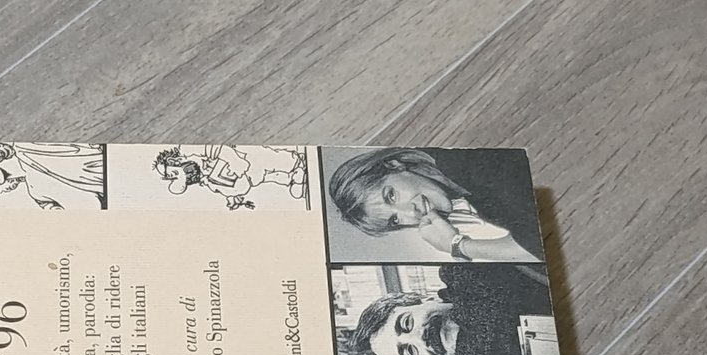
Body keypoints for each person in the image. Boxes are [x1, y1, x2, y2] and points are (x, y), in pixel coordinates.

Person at [349, 264, 556, 355]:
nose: (418, 338)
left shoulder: (461, 273)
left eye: (406, 323)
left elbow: (490, 313)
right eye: (410, 351)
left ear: (425, 299)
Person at [328, 148, 540, 261]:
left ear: (394, 165)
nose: (410, 213)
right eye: (395, 220)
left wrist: (458, 247)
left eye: (391, 196)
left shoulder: (463, 165)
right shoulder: (467, 192)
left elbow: (535, 246)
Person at [153, 145, 307, 209]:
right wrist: (232, 198)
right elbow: (218, 186)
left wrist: (235, 161)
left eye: (170, 174)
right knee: (266, 176)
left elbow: (216, 148)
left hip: (245, 159)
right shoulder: (203, 178)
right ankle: (291, 179)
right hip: (246, 178)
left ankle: (296, 162)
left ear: (173, 160)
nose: (173, 178)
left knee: (270, 159)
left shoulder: (190, 152)